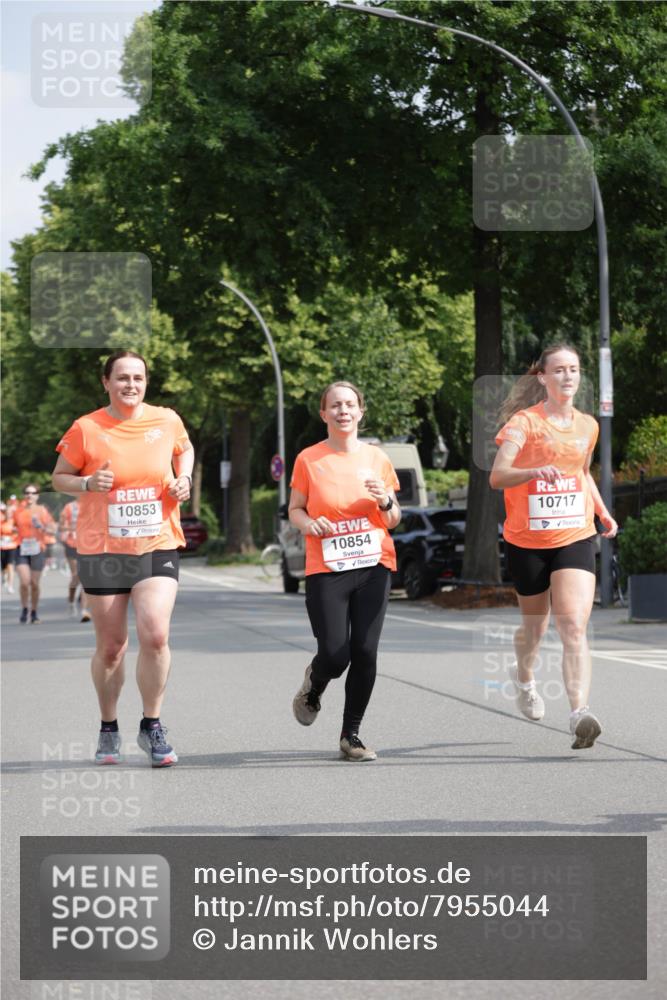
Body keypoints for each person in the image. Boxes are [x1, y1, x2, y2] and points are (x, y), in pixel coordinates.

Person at [52, 350, 194, 768]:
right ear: (106, 382)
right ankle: (108, 726)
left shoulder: (166, 420)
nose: (131, 384)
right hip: (103, 549)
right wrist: (87, 482)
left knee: (155, 634)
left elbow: (184, 451)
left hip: (157, 541)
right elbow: (59, 477)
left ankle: (152, 724)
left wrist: (182, 478)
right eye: (122, 378)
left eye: (138, 377)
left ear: (146, 382)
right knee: (112, 647)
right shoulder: (86, 428)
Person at [490, 344, 618, 749]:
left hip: (574, 534)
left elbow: (581, 473)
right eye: (559, 370)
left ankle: (579, 712)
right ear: (542, 377)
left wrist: (601, 511)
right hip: (527, 540)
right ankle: (524, 677)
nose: (567, 376)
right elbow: (498, 476)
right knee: (535, 627)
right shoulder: (523, 424)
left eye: (574, 370)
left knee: (573, 625)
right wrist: (532, 472)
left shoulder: (587, 426)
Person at [289, 381, 401, 761]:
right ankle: (314, 684)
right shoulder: (309, 459)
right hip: (327, 565)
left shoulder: (377, 459)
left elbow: (394, 517)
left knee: (365, 650)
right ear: (324, 414)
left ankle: (350, 735)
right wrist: (307, 525)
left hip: (374, 563)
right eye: (335, 405)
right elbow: (295, 509)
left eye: (350, 404)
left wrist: (385, 499)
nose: (343, 411)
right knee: (336, 655)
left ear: (360, 412)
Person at [14, 484, 56, 624]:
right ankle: (25, 607)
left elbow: (52, 529)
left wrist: (42, 526)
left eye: (33, 493)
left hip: (38, 549)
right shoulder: (17, 511)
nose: (29, 495)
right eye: (27, 492)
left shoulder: (42, 511)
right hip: (21, 548)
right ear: (24, 494)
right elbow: (10, 525)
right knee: (25, 582)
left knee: (34, 583)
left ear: (37, 495)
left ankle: (34, 611)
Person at [59, 499, 90, 621]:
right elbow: (61, 526)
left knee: (86, 578)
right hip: (72, 544)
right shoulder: (69, 507)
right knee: (76, 576)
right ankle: (71, 602)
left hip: (89, 545)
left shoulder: (92, 504)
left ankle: (84, 610)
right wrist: (70, 528)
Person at [1, 502, 18, 594]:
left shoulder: (15, 522)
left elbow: (20, 533)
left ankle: (10, 585)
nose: (8, 514)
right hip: (2, 547)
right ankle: (4, 576)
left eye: (10, 513)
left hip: (12, 546)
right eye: (6, 513)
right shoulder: (1, 523)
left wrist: (15, 532)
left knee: (10, 565)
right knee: (3, 567)